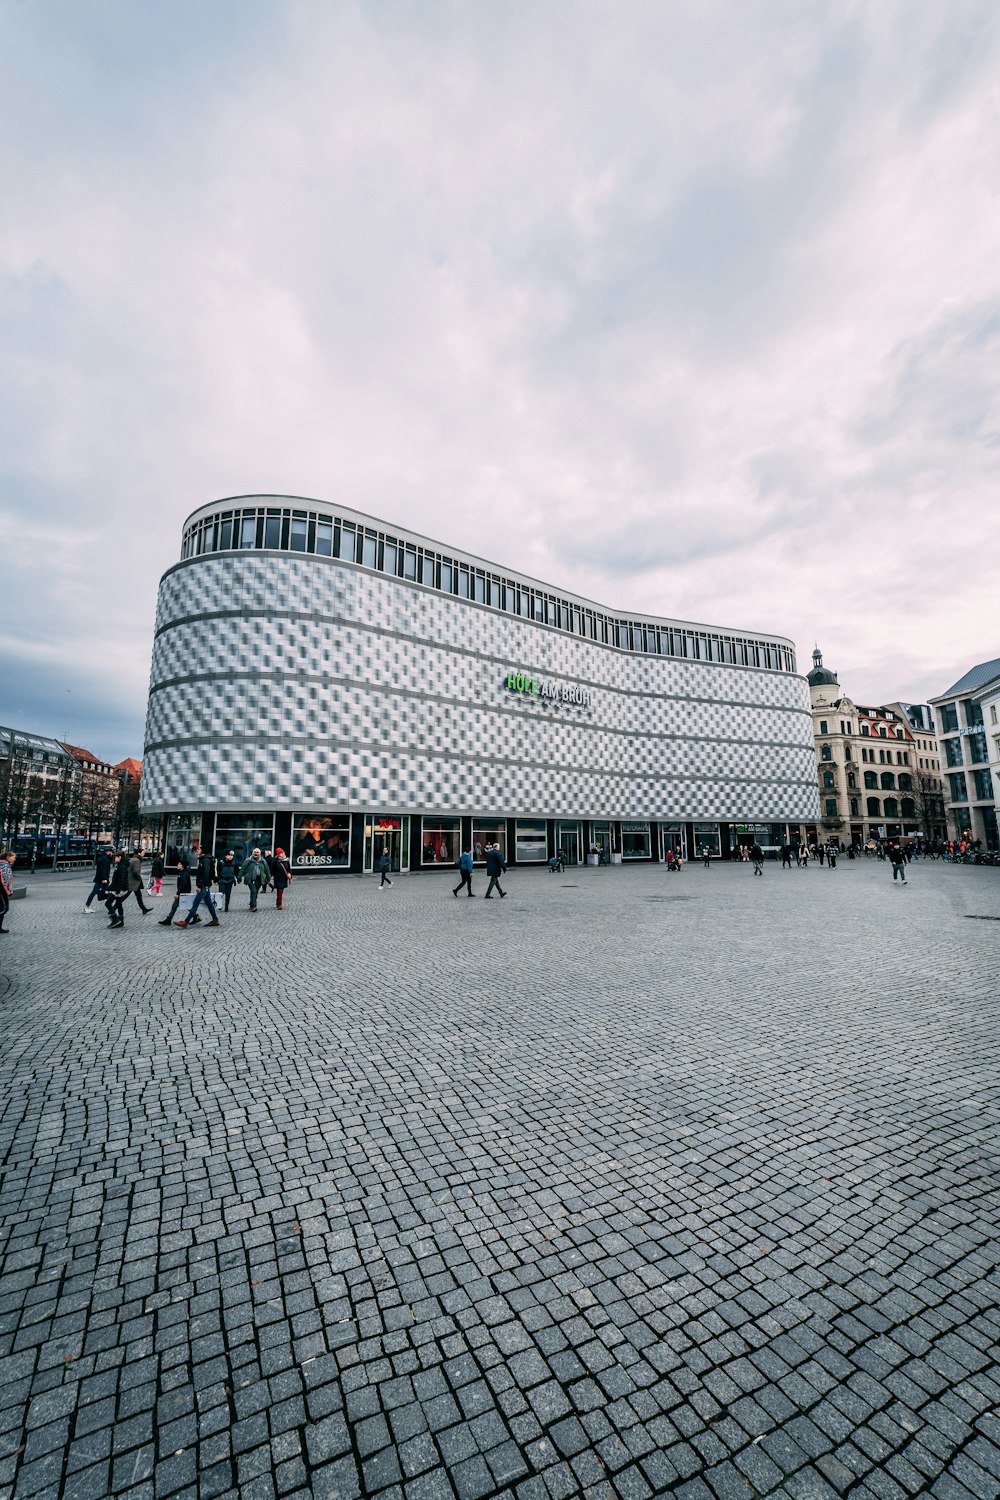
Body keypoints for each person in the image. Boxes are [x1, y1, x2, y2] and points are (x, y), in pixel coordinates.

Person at [176, 843, 220, 928]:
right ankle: (215, 920)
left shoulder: (205, 860)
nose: (197, 850)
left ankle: (186, 922)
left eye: (199, 849)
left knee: (195, 903)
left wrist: (199, 886)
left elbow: (205, 874)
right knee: (209, 903)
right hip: (206, 885)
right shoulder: (203, 859)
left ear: (203, 851)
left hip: (204, 885)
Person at [159, 858, 195, 925]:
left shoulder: (184, 873)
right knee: (186, 905)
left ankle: (169, 919)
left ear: (182, 866)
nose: (178, 865)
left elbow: (183, 884)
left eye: (179, 864)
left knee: (175, 906)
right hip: (184, 892)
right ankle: (195, 916)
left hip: (183, 892)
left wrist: (178, 894)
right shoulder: (183, 872)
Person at [84, 847, 113, 912]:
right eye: (111, 852)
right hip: (101, 880)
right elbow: (102, 870)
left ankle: (111, 906)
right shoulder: (104, 859)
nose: (112, 853)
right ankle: (86, 907)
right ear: (108, 852)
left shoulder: (103, 858)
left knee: (107, 891)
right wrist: (104, 879)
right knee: (94, 892)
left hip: (102, 879)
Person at [240, 847, 269, 911]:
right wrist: (239, 878)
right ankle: (253, 906)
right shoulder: (248, 860)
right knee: (253, 891)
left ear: (260, 853)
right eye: (255, 852)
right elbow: (243, 869)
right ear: (252, 853)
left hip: (259, 879)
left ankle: (251, 903)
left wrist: (268, 878)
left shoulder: (263, 861)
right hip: (250, 879)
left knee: (255, 892)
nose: (256, 853)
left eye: (257, 852)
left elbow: (266, 870)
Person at [0, 850, 14, 934]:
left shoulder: (5, 865)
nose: (15, 859)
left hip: (1, 890)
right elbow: (5, 880)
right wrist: (9, 891)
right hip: (1, 890)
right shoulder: (5, 866)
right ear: (8, 858)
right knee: (3, 908)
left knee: (3, 908)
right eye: (13, 857)